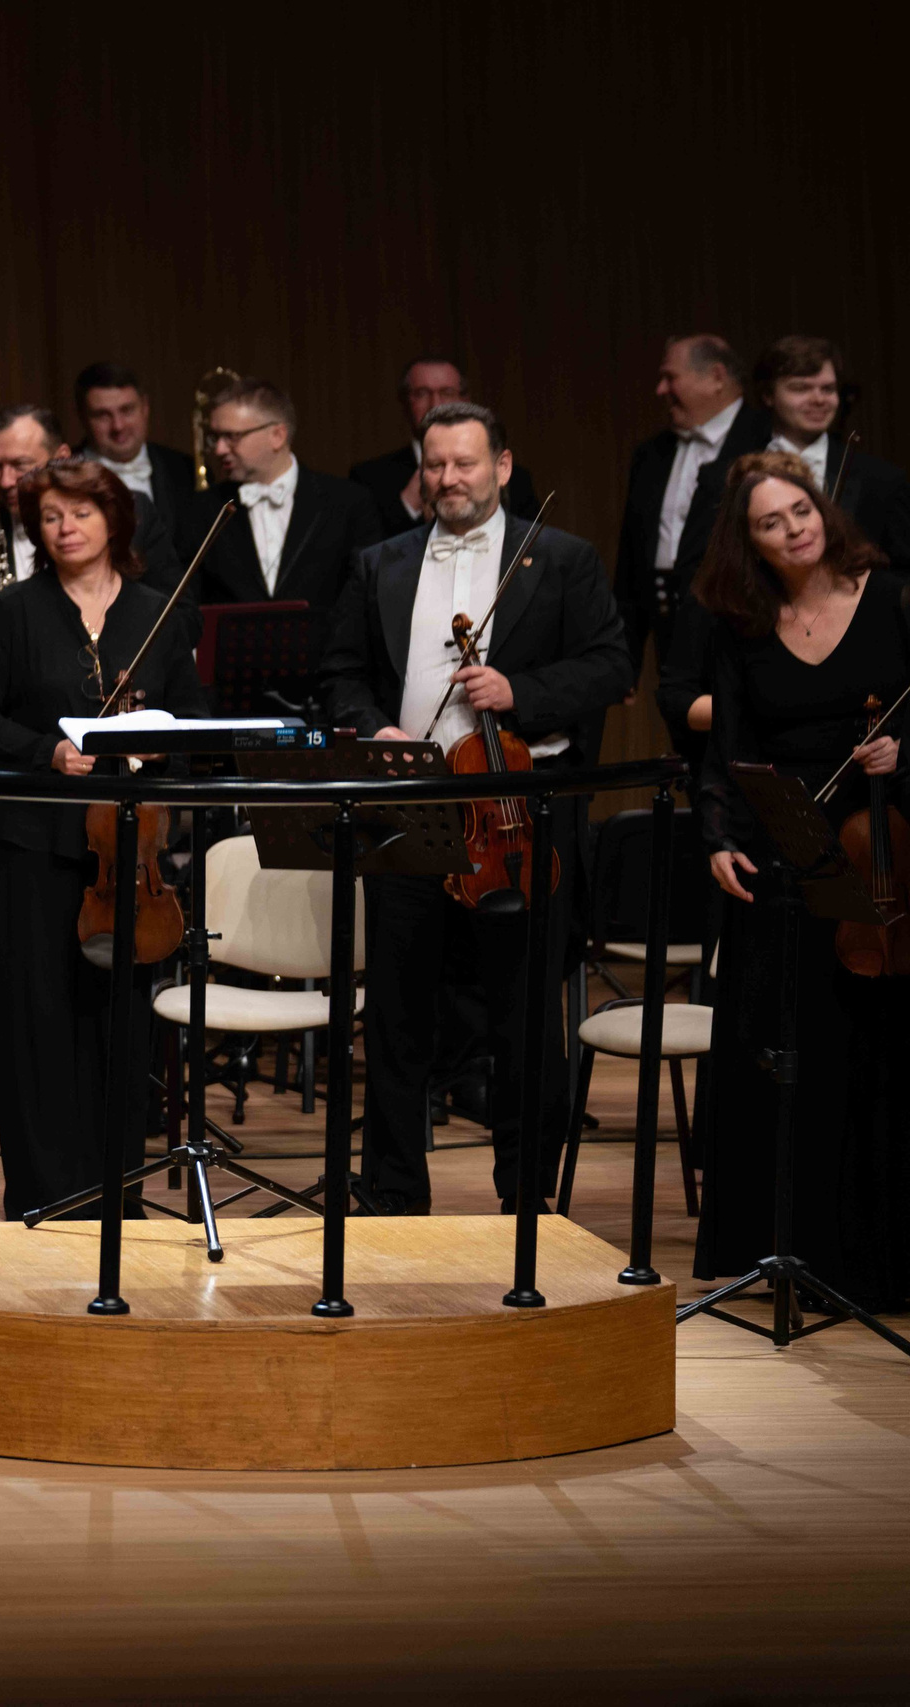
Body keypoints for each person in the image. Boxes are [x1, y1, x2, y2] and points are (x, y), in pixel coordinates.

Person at [321, 402, 632, 1214]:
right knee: (396, 1015)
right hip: (411, 805)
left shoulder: (559, 558)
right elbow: (342, 673)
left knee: (524, 1020)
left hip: (520, 813)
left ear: (502, 465)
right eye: (435, 464)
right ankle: (393, 1196)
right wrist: (372, 726)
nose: (448, 479)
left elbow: (610, 666)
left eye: (465, 463)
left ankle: (527, 1204)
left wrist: (520, 691)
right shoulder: (378, 561)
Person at [0, 460, 204, 1222]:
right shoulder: (17, 613)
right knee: (35, 1018)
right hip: (30, 842)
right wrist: (46, 752)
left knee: (117, 1019)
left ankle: (113, 1187)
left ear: (114, 520)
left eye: (80, 513)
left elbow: (193, 726)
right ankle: (44, 1194)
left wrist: (159, 749)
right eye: (51, 517)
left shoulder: (160, 611)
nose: (65, 528)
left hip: (130, 852)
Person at [694, 450, 909, 1313]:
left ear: (823, 509)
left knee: (876, 1052)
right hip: (784, 851)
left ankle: (879, 1258)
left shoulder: (892, 598)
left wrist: (905, 754)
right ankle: (793, 1250)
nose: (793, 529)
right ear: (747, 544)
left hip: (889, 856)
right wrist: (715, 838)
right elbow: (728, 748)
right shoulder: (741, 624)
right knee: (792, 1055)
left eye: (801, 511)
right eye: (770, 523)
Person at [0, 404, 183, 676]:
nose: (5, 481)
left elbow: (182, 616)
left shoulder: (130, 512)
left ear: (61, 456)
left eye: (20, 465)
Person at [680, 337, 910, 582]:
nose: (819, 399)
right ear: (768, 395)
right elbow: (695, 575)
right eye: (801, 388)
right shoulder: (722, 478)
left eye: (828, 389)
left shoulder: (883, 481)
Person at [617, 335, 772, 683]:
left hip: (744, 633)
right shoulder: (651, 455)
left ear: (716, 377)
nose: (660, 389)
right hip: (670, 639)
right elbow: (632, 557)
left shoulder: (767, 440)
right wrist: (626, 654)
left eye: (670, 377)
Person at [191, 379, 384, 648]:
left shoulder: (348, 502)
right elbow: (189, 604)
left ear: (277, 435)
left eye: (232, 437)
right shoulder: (202, 510)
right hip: (231, 681)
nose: (219, 449)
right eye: (216, 437)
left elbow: (365, 600)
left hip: (324, 679)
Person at [346, 357, 540, 536]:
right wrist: (406, 505)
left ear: (466, 398)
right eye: (422, 393)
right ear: (405, 402)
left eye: (447, 392)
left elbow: (530, 546)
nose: (435, 403)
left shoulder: (513, 478)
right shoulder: (369, 477)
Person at [76, 362, 200, 542]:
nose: (118, 426)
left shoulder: (186, 471)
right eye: (103, 415)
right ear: (82, 417)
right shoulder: (61, 473)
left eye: (127, 410)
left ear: (145, 407)